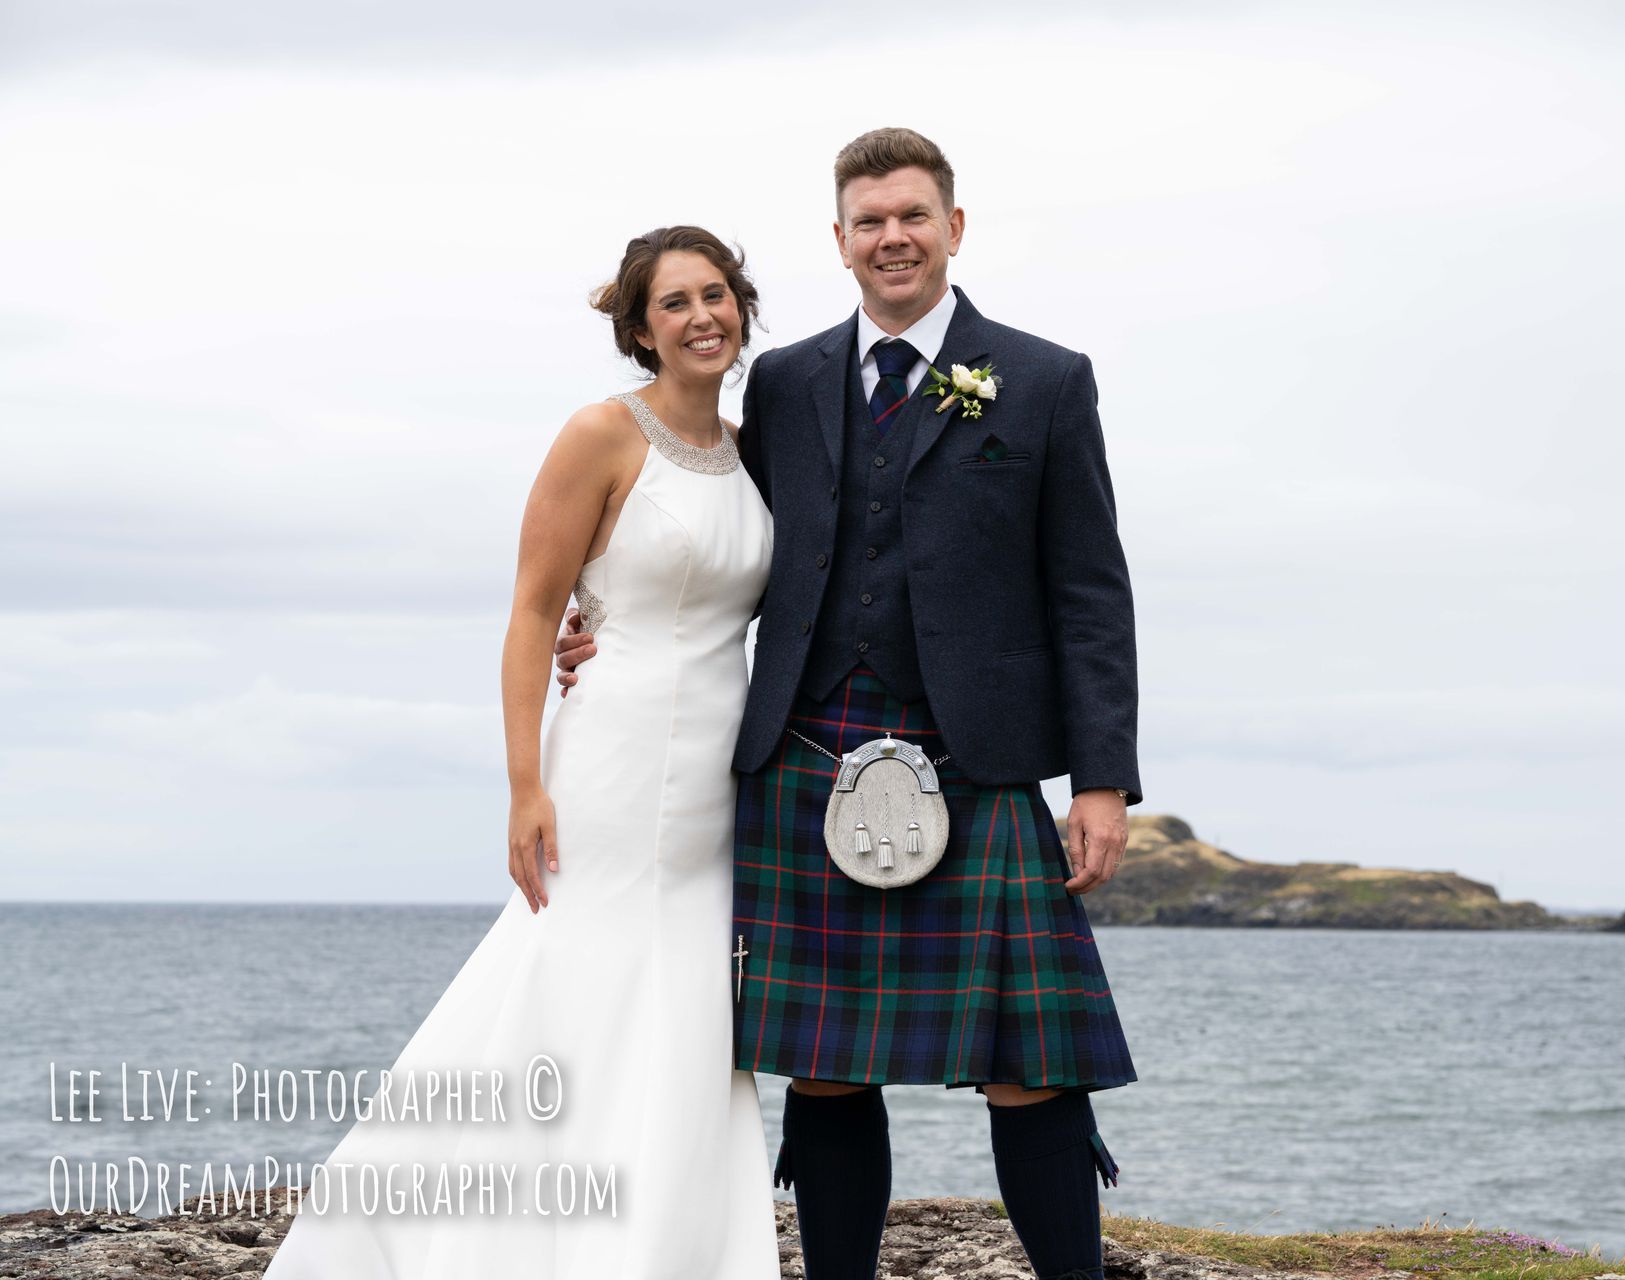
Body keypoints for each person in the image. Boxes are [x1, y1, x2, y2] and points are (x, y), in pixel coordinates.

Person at [558, 128, 1140, 1280]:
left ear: (954, 227)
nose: (893, 238)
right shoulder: (782, 381)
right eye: (870, 221)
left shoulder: (1044, 380)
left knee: (1032, 1064)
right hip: (804, 746)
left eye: (913, 215)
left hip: (977, 756)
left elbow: (1090, 591)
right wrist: (605, 613)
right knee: (825, 1064)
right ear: (839, 240)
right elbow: (715, 530)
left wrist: (1103, 780)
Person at [265, 227, 780, 1279]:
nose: (701, 317)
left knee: (686, 992)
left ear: (742, 305)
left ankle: (666, 1245)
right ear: (640, 329)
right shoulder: (600, 434)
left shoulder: (753, 451)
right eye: (674, 302)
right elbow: (535, 612)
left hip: (719, 773)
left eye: (715, 294)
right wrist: (524, 784)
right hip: (612, 753)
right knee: (573, 965)